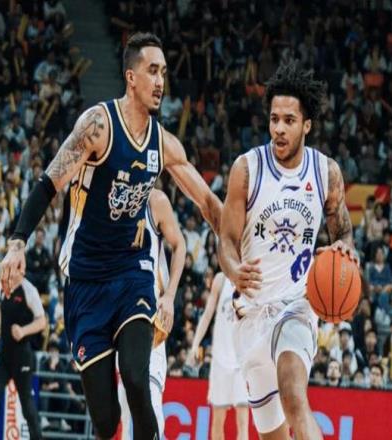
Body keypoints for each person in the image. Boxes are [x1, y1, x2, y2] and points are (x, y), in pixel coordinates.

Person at [0, 32, 222, 440]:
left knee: (136, 378)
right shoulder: (98, 126)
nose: (160, 81)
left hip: (132, 273)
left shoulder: (163, 143)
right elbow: (48, 183)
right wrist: (18, 242)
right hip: (84, 280)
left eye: (164, 73)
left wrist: (238, 249)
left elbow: (208, 203)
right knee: (105, 421)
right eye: (152, 71)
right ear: (130, 77)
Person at [219, 60, 358, 440]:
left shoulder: (325, 172)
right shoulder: (247, 169)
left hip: (297, 305)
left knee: (295, 396)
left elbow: (343, 231)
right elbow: (226, 240)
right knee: (273, 435)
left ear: (306, 125)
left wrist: (346, 250)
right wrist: (233, 269)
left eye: (289, 121)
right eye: (274, 119)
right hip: (250, 314)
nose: (279, 128)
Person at [117, 188, 186, 439]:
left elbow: (179, 245)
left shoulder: (155, 200)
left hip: (151, 317)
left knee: (152, 406)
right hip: (120, 319)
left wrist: (169, 295)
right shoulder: (110, 199)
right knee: (126, 411)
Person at [186, 271, 249, 440]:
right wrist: (195, 344)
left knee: (243, 421)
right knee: (218, 421)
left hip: (242, 361)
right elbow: (207, 315)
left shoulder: (249, 277)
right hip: (220, 359)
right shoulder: (221, 280)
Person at [0, 275, 46, 439]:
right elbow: (3, 313)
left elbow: (42, 322)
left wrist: (23, 331)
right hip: (4, 354)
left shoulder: (29, 290)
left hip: (22, 355)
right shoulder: (4, 286)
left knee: (26, 404)